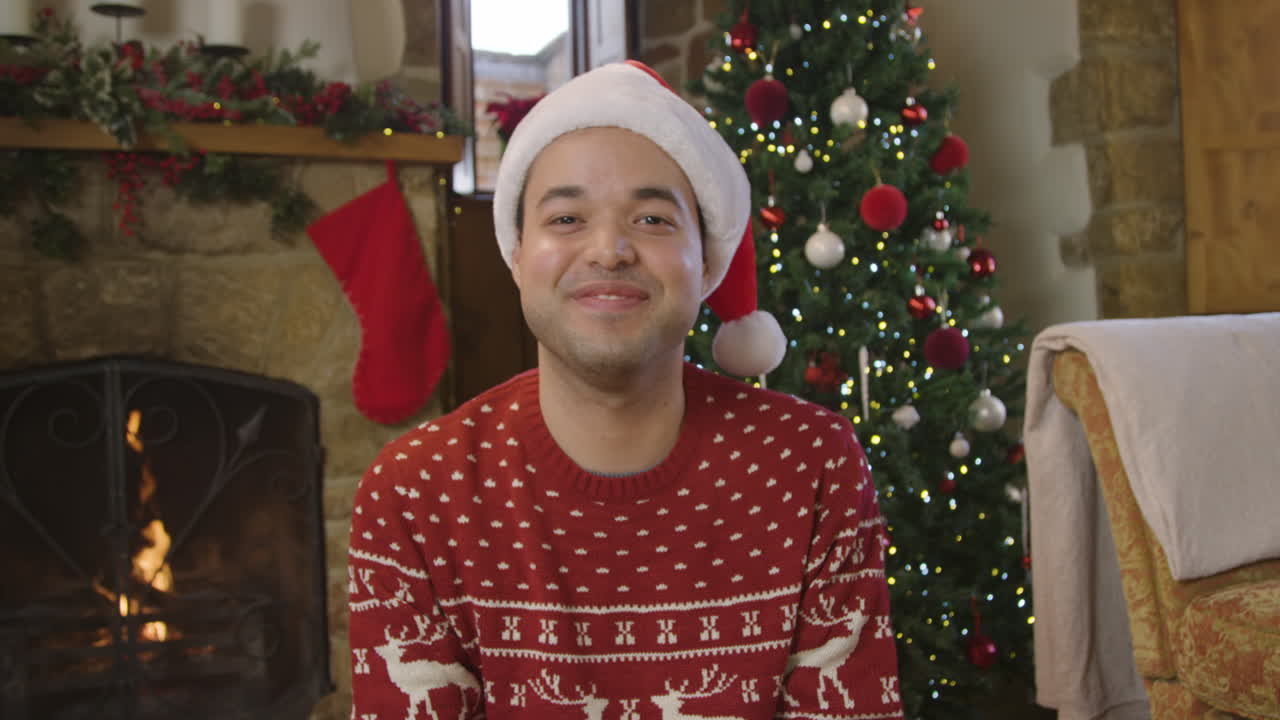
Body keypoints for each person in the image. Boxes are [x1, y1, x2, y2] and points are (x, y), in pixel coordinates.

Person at [347, 60, 903, 720]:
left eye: (652, 221)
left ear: (706, 264)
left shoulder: (813, 461)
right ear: (517, 253)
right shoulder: (414, 490)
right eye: (566, 219)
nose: (609, 250)